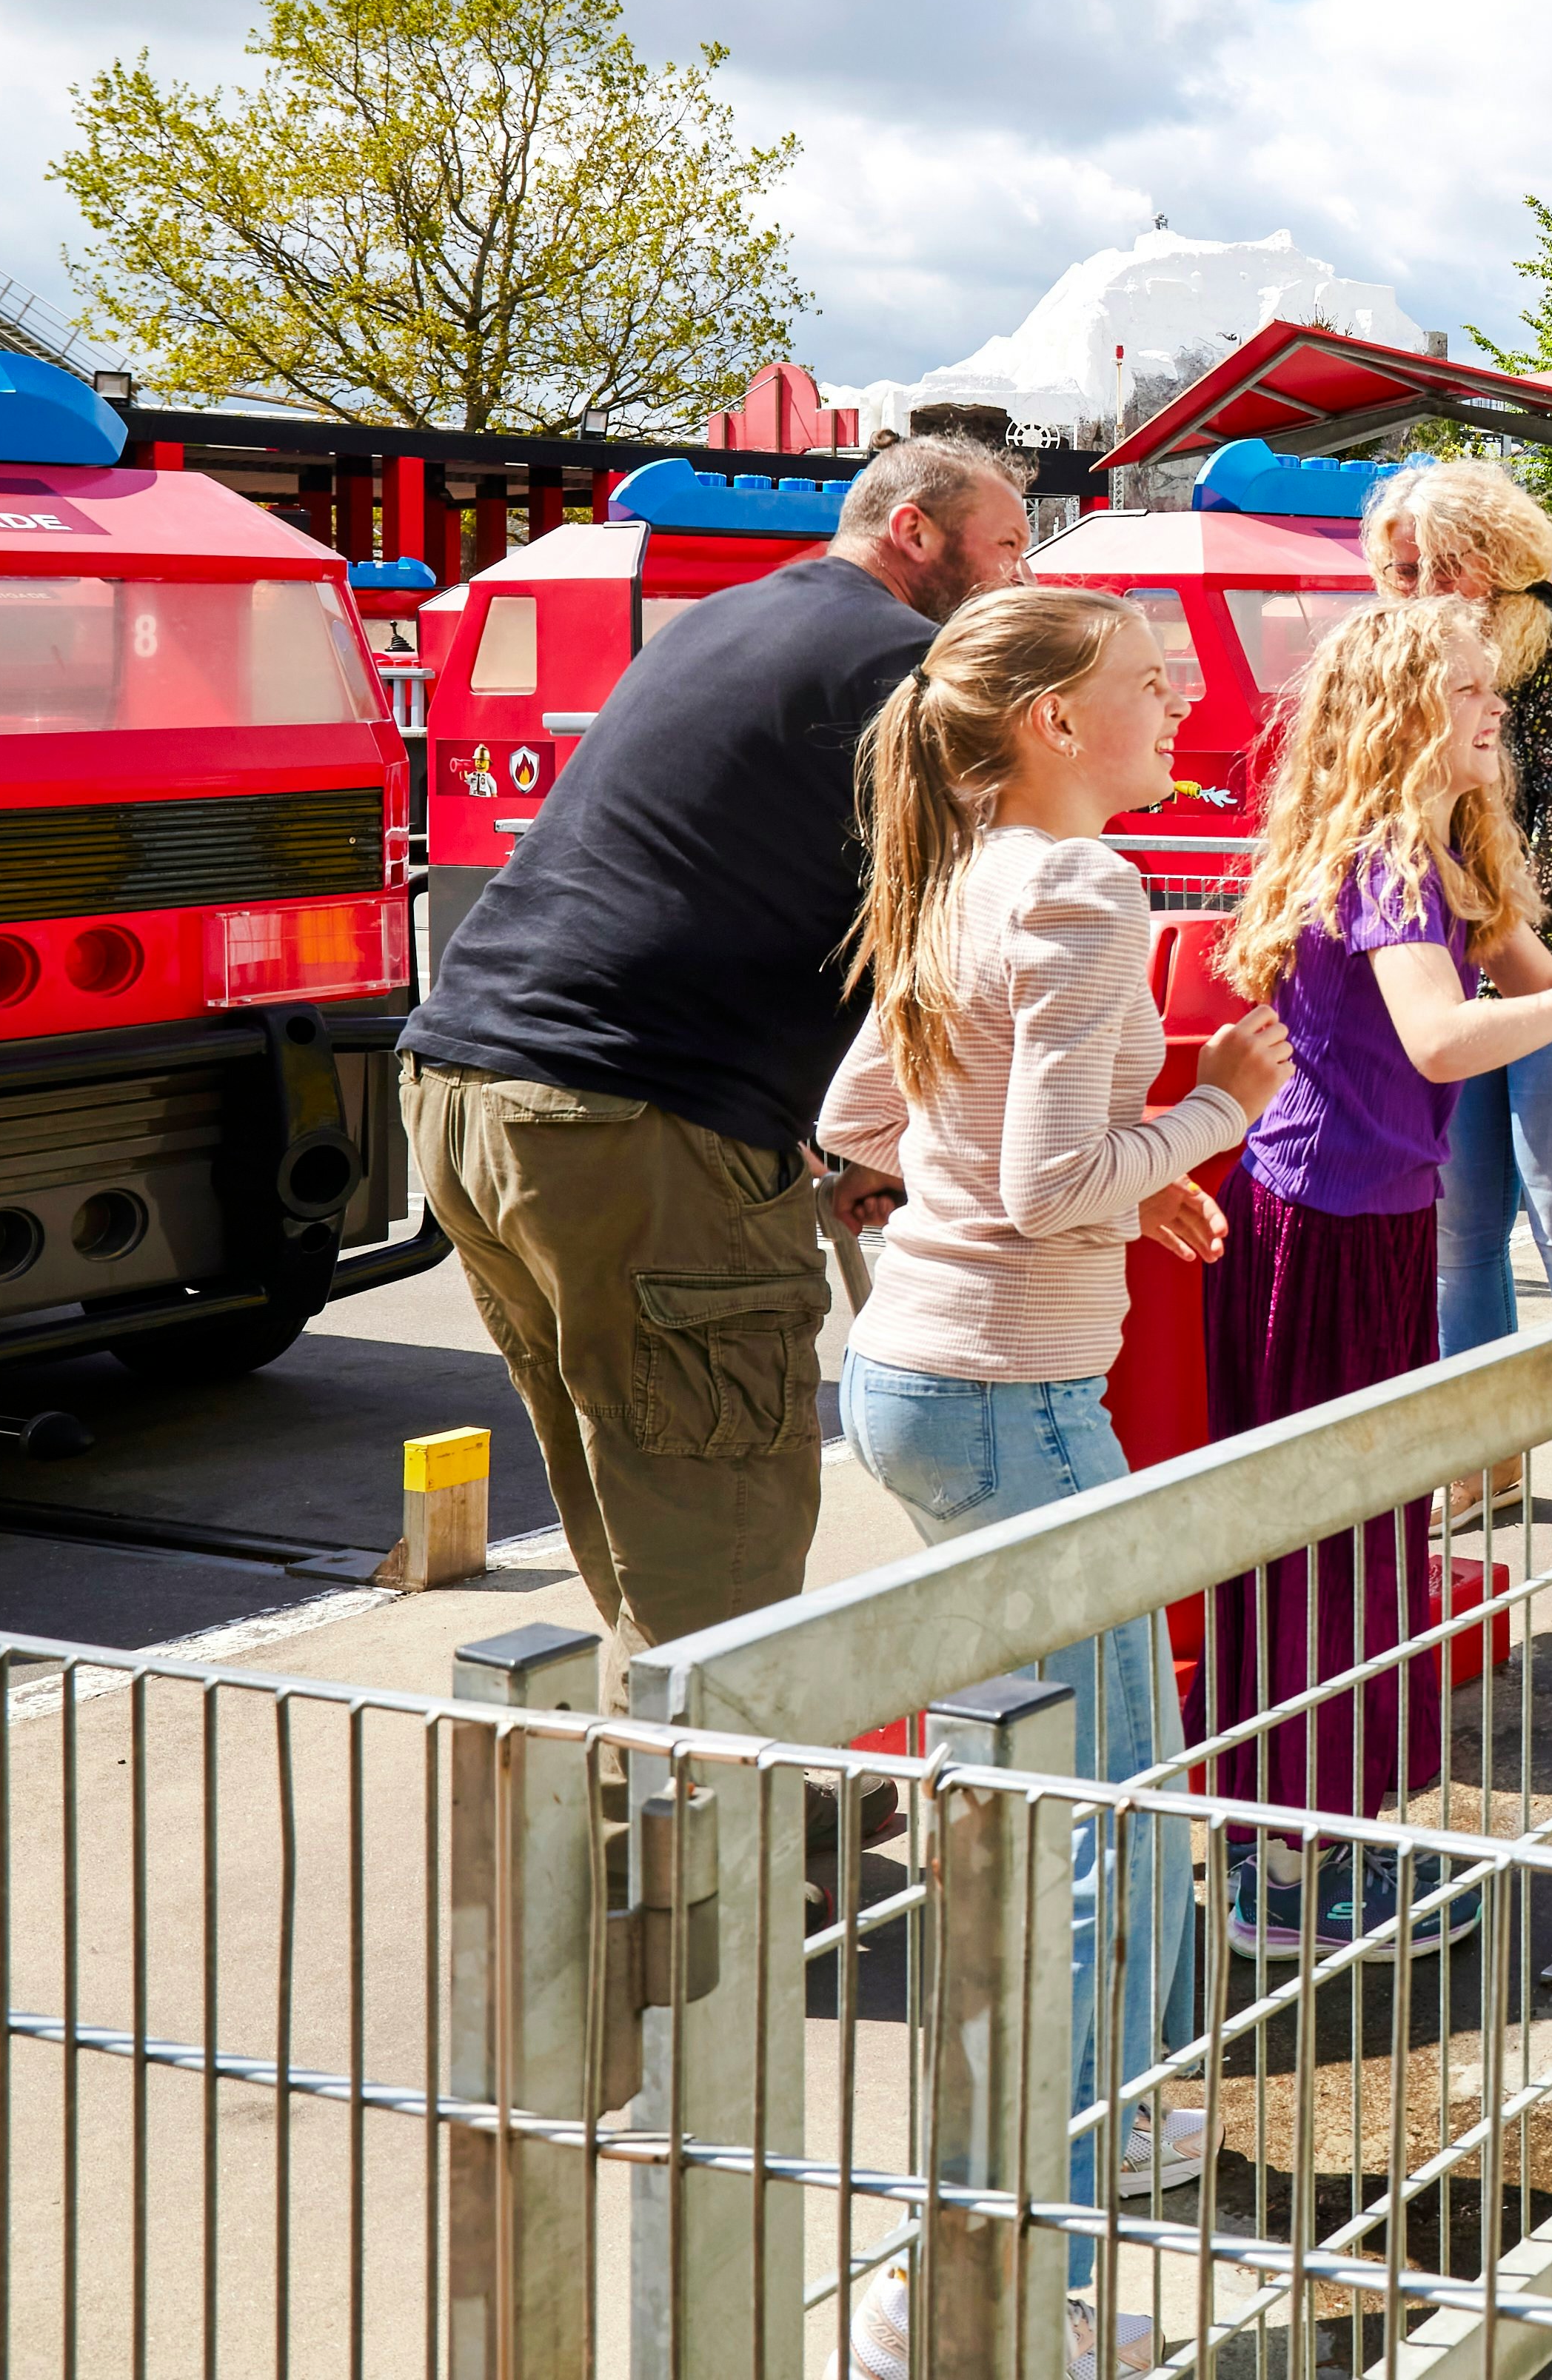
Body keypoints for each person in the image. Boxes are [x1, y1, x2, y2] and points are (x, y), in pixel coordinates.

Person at [815, 586, 1290, 2369]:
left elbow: (871, 1125)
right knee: (1114, 1846)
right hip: (1015, 1395)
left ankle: (1051, 2190)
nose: (1175, 708)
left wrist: (1123, 1166)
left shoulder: (958, 879)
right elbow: (1032, 1186)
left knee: (1069, 1819)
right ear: (1052, 727)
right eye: (1143, 688)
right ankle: (999, 2280)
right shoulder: (1088, 887)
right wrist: (1212, 1104)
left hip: (918, 1378)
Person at [407, 433, 1034, 1680]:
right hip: (636, 1117)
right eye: (1007, 545)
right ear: (916, 531)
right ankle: (721, 1856)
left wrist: (846, 1129)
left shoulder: (726, 621)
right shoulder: (908, 666)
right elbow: (942, 932)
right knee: (717, 1538)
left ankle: (663, 1821)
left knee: (633, 1506)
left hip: (470, 1088)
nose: (1019, 576)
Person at [1199, 601, 1552, 1963]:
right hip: (1324, 1228)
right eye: (1476, 691)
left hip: (1360, 1220)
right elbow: (1440, 1043)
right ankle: (1289, 1867)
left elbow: (1551, 990)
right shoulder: (1387, 863)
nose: (1499, 711)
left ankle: (1305, 1841)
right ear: (1411, 715)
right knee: (1331, 1543)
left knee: (1359, 1541)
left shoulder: (1447, 854)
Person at [1362, 462, 1552, 1551]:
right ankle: (1485, 1451)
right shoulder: (1415, 659)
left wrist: (1476, 915)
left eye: (1412, 567)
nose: (1394, 587)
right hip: (1465, 951)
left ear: (1473, 564)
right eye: (1390, 568)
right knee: (1462, 1230)